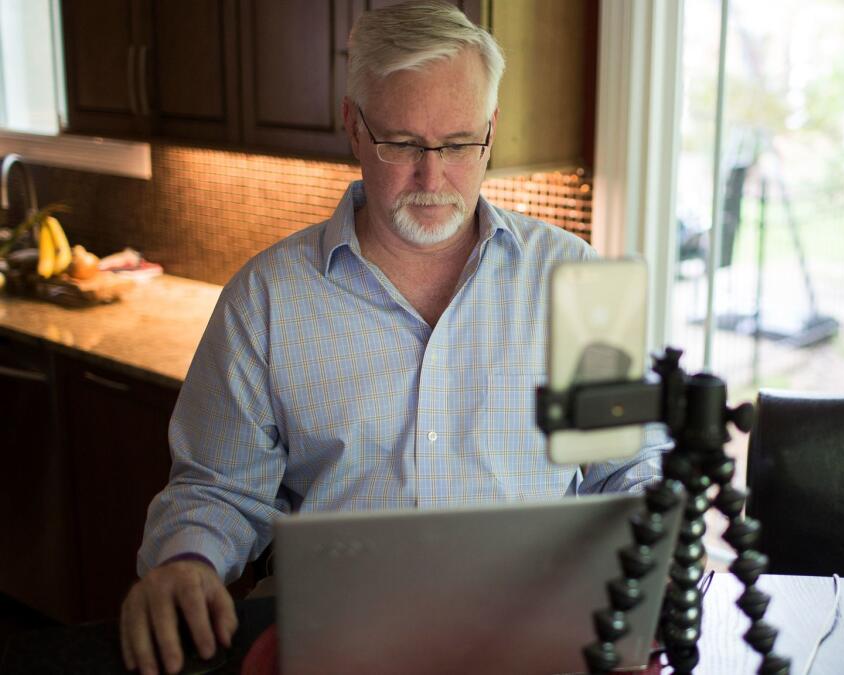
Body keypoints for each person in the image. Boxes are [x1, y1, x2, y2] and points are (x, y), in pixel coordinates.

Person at [118, 3, 663, 673]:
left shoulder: (575, 279)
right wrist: (187, 558)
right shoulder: (266, 299)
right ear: (353, 125)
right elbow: (217, 488)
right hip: (337, 647)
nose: (433, 180)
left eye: (460, 144)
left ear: (491, 130)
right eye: (402, 143)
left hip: (537, 640)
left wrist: (656, 545)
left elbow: (633, 467)